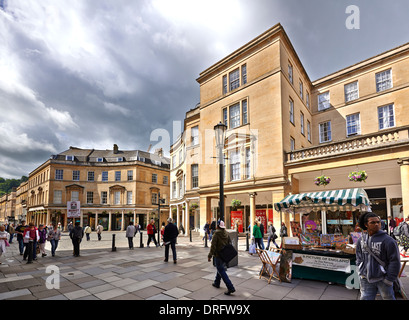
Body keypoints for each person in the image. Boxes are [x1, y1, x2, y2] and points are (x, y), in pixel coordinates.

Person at [356, 212, 401, 300]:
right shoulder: (361, 240)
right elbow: (359, 256)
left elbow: (395, 261)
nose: (376, 224)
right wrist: (360, 270)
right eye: (373, 222)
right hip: (366, 278)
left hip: (383, 279)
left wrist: (389, 279)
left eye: (378, 222)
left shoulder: (388, 240)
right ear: (366, 225)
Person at [207, 220, 236, 295]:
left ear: (217, 226)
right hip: (224, 255)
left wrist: (210, 256)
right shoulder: (226, 233)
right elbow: (229, 243)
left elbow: (213, 246)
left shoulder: (216, 234)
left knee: (221, 270)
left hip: (218, 255)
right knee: (220, 268)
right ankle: (217, 283)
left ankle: (230, 287)